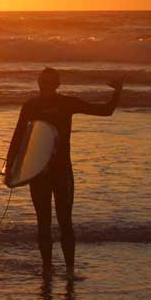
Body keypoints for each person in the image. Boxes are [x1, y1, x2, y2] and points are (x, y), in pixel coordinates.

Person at [7, 67, 122, 280]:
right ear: (38, 81)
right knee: (43, 222)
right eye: (43, 81)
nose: (46, 85)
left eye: (51, 82)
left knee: (65, 221)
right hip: (38, 172)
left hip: (62, 172)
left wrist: (118, 92)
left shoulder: (66, 103)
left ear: (58, 84)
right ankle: (47, 269)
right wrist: (10, 169)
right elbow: (18, 137)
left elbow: (106, 111)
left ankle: (70, 270)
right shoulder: (31, 105)